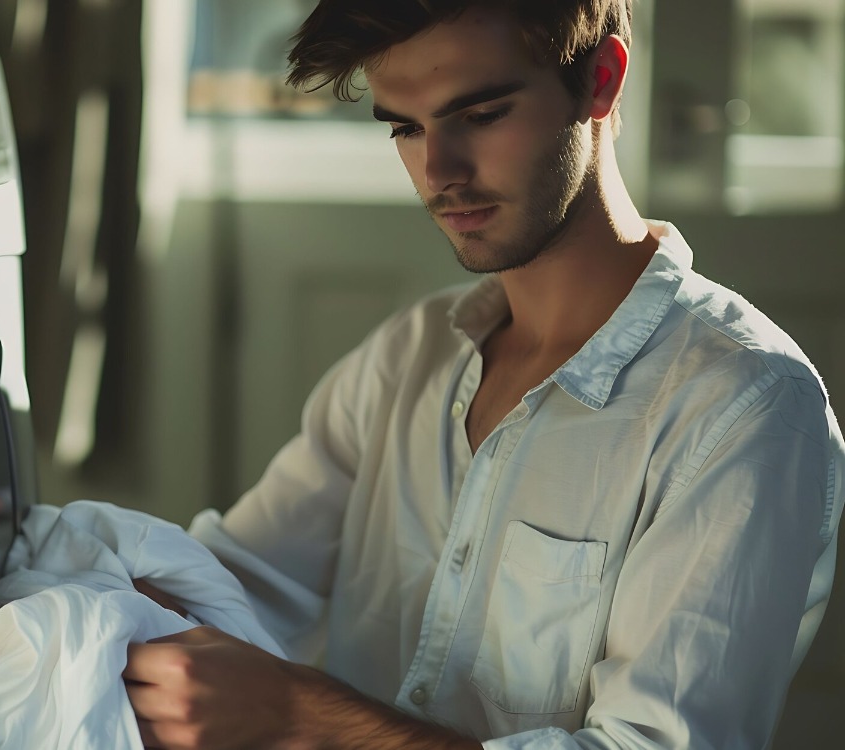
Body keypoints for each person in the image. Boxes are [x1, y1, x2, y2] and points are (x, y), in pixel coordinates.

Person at [122, 1, 844, 748]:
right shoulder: (411, 354)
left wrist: (304, 718)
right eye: (404, 126)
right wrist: (56, 588)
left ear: (600, 80)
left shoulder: (742, 405)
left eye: (483, 113)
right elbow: (242, 579)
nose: (439, 172)